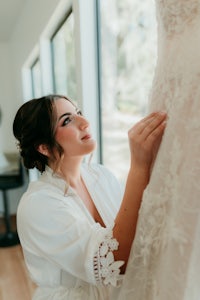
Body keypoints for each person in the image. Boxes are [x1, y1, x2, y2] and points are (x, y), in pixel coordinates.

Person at [13, 94, 167, 300]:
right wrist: (139, 166)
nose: (85, 123)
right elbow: (113, 261)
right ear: (44, 147)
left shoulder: (101, 175)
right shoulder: (37, 205)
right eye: (67, 120)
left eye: (79, 113)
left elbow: (136, 227)